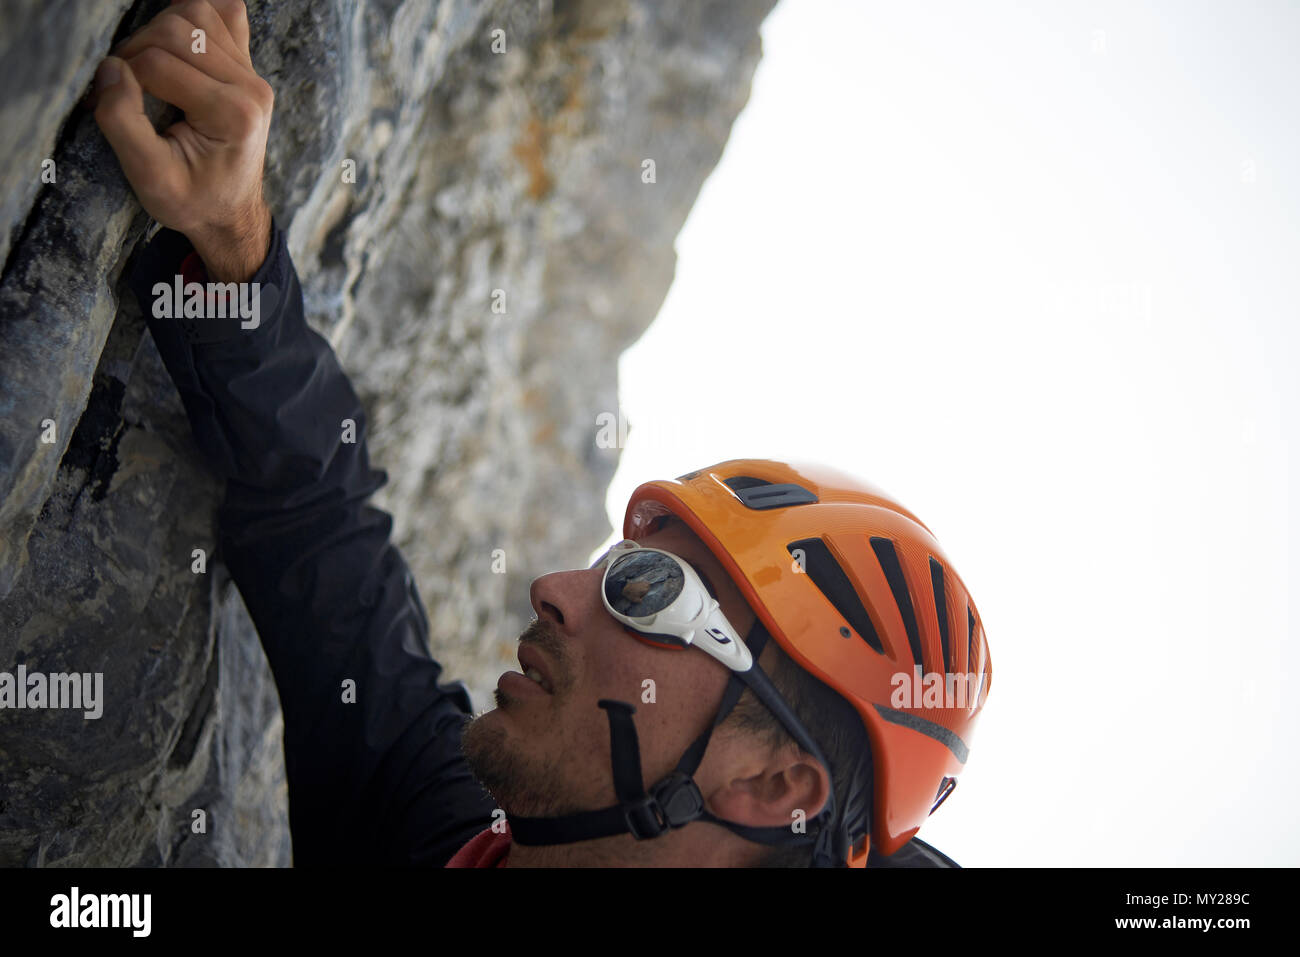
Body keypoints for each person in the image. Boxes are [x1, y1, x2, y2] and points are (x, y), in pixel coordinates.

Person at [91, 0, 992, 868]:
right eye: (613, 567)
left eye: (647, 590)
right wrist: (231, 237)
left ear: (771, 778)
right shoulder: (449, 834)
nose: (554, 589)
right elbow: (315, 521)